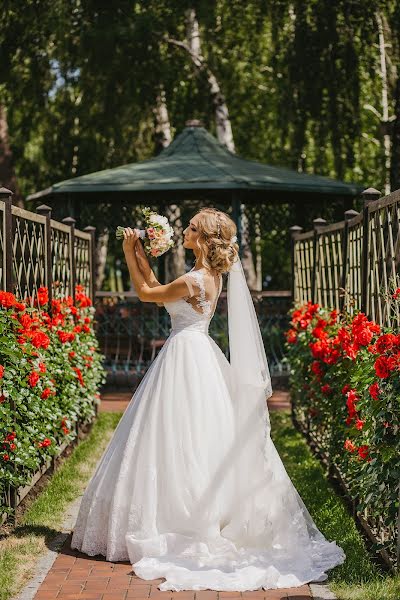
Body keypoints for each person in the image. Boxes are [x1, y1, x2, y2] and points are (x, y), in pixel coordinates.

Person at [71, 207, 345, 592]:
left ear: (201, 238)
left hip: (185, 355)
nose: (183, 230)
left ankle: (180, 518)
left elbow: (147, 293)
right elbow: (158, 293)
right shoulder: (207, 276)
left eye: (191, 227)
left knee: (174, 434)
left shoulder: (194, 279)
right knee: (195, 435)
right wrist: (138, 255)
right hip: (196, 352)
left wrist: (128, 252)